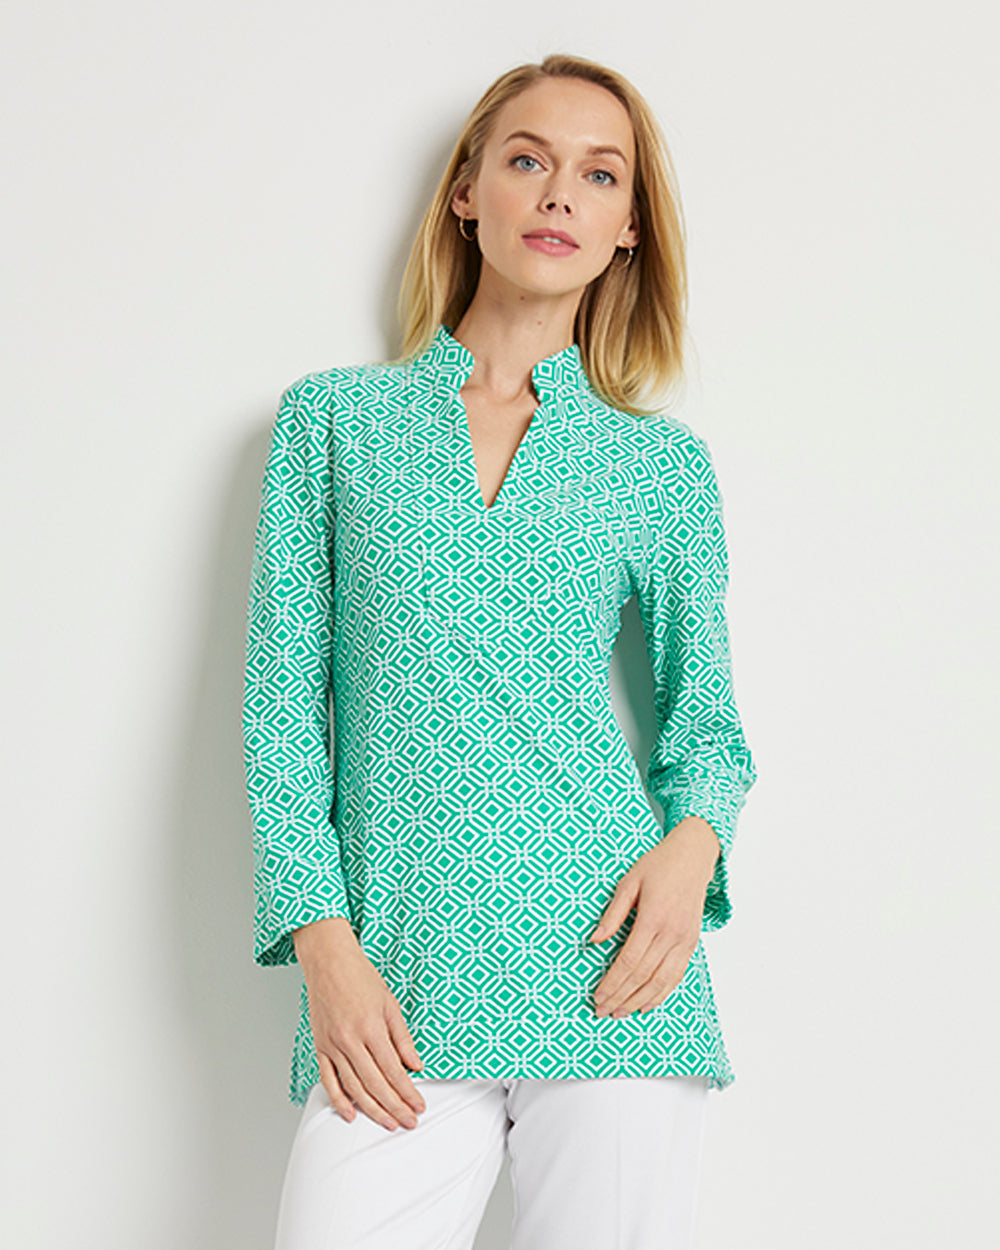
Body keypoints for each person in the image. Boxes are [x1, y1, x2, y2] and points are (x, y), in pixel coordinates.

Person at [242, 51, 757, 1250]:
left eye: (600, 174)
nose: (560, 192)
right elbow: (280, 705)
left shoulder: (659, 466)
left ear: (629, 229)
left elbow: (707, 727)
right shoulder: (333, 421)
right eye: (528, 159)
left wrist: (692, 848)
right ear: (467, 193)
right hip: (396, 982)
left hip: (613, 971)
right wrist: (324, 945)